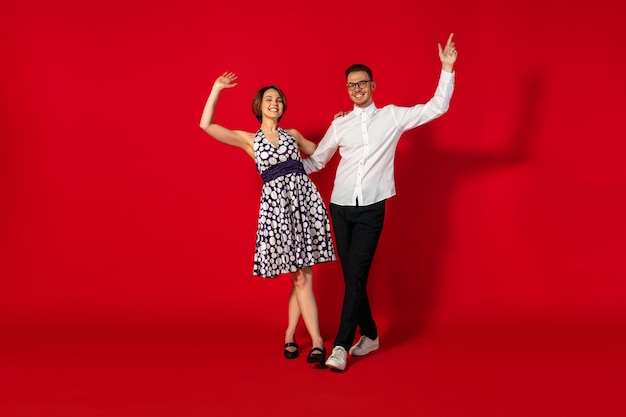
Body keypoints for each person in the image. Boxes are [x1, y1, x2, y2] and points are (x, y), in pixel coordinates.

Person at [302, 33, 459, 371]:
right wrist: (283, 166)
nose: (356, 89)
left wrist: (446, 69)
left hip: (372, 207)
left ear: (373, 85)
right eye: (350, 85)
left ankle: (341, 346)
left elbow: (436, 107)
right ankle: (370, 334)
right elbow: (317, 162)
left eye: (362, 83)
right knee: (353, 278)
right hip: (340, 206)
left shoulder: (392, 117)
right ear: (346, 90)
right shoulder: (340, 123)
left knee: (356, 275)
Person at [199, 72, 336, 365]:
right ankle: (310, 339)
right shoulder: (249, 140)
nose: (274, 103)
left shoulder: (294, 135)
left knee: (300, 275)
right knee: (300, 275)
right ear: (259, 106)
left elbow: (323, 152)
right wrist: (216, 88)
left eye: (279, 100)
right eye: (269, 99)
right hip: (277, 210)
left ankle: (298, 337)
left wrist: (339, 125)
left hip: (304, 205)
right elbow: (206, 125)